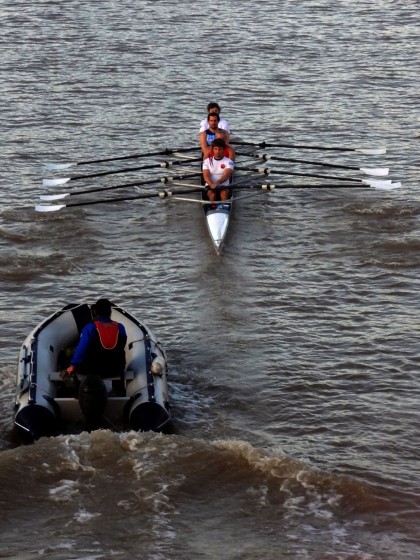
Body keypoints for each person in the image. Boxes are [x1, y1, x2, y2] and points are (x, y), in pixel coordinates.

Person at [64, 298, 127, 379]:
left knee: (70, 358)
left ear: (94, 312)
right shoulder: (120, 327)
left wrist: (72, 365)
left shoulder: (90, 327)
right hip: (116, 370)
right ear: (110, 312)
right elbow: (122, 344)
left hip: (92, 370)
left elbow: (81, 349)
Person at [202, 138, 234, 202]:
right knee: (212, 194)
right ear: (212, 150)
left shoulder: (229, 162)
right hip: (210, 185)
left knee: (224, 193)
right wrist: (211, 184)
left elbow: (226, 175)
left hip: (224, 185)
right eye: (215, 149)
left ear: (223, 150)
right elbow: (206, 176)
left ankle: (223, 206)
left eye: (220, 149)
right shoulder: (207, 161)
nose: (217, 151)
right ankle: (211, 206)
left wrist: (217, 183)